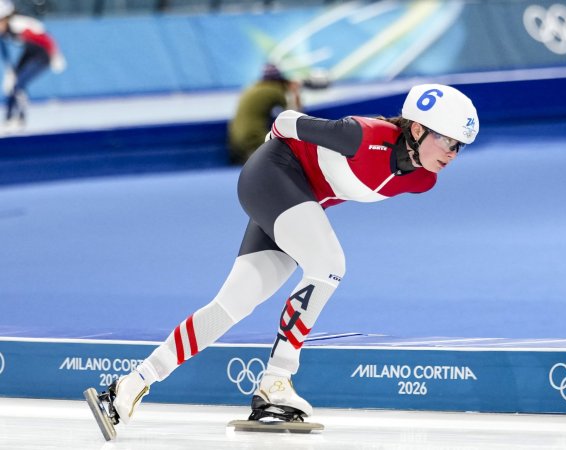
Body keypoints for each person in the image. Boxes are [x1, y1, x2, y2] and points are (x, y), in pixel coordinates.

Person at [88, 83, 479, 438]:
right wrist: (273, 156)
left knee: (229, 307)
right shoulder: (363, 135)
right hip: (272, 175)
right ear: (416, 129)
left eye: (460, 146)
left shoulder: (422, 179)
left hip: (294, 202)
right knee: (329, 264)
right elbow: (287, 121)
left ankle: (127, 388)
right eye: (447, 141)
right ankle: (277, 379)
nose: (452, 153)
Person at [0, 0, 66, 132]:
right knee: (13, 85)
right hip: (30, 53)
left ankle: (19, 119)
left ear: (5, 18)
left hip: (41, 55)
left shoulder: (18, 24)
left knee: (19, 85)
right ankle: (8, 119)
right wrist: (11, 71)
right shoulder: (6, 30)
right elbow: (6, 53)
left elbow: (44, 36)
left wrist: (55, 54)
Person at [227, 63, 302, 164]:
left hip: (235, 140)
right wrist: (295, 93)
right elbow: (294, 116)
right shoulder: (275, 91)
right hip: (253, 138)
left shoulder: (252, 87)